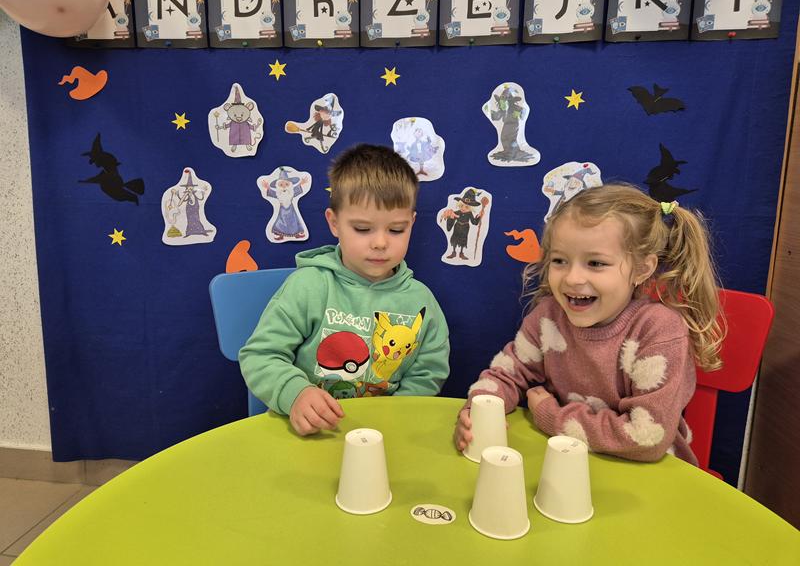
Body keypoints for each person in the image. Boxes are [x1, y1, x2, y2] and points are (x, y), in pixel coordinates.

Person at [454, 184, 724, 465]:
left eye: (595, 263)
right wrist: (478, 410)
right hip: (564, 465)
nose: (572, 278)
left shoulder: (659, 330)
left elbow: (646, 439)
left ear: (642, 269)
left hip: (644, 475)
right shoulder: (548, 316)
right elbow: (506, 374)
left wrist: (550, 415)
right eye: (559, 260)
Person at [240, 144, 450, 436]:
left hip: (383, 438)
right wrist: (295, 394)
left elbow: (428, 374)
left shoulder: (421, 301)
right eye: (362, 229)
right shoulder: (309, 285)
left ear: (412, 223)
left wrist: (398, 416)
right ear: (334, 223)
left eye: (396, 230)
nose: (380, 243)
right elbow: (260, 356)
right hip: (310, 434)